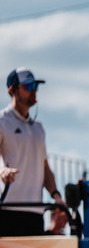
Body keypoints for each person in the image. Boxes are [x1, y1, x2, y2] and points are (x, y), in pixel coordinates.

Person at [1, 68, 65, 208]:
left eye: (35, 86)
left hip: (35, 209)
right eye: (28, 86)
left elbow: (45, 168)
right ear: (12, 90)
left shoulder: (38, 128)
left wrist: (57, 196)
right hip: (8, 207)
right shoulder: (2, 121)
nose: (34, 91)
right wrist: (2, 171)